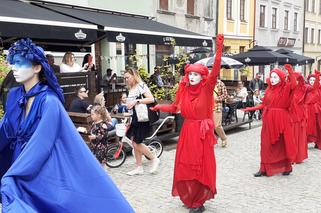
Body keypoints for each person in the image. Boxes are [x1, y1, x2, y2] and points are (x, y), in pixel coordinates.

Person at [0, 38, 133, 212]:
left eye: (19, 63)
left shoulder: (49, 101)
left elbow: (42, 143)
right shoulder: (15, 96)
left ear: (37, 68)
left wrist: (14, 173)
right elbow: (5, 128)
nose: (14, 68)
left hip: (40, 167)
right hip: (19, 159)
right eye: (13, 63)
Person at [150, 34, 224, 213]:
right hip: (188, 132)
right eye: (190, 73)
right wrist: (159, 106)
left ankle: (198, 201)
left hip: (201, 133)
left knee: (199, 166)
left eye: (195, 74)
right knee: (186, 165)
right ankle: (190, 196)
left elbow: (214, 72)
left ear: (201, 76)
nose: (191, 77)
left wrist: (219, 50)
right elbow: (175, 107)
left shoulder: (207, 90)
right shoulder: (183, 90)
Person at [243, 64, 297, 177]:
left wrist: (290, 72)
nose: (272, 80)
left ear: (281, 78)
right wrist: (251, 108)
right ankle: (263, 168)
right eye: (271, 77)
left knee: (282, 144)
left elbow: (293, 85)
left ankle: (287, 166)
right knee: (265, 144)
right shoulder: (268, 90)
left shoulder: (285, 88)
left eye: (275, 77)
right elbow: (264, 104)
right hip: (268, 120)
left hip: (281, 120)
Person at [124, 67, 160, 176]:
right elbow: (131, 105)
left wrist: (137, 101)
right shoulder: (131, 89)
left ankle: (154, 158)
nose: (126, 80)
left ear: (134, 76)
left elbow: (151, 99)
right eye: (125, 78)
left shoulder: (141, 85)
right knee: (134, 143)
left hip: (142, 118)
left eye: (127, 77)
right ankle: (139, 167)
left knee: (136, 142)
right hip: (135, 117)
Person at [289, 72, 309, 163]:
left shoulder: (303, 89)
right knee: (290, 136)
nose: (295, 82)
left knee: (297, 135)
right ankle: (290, 156)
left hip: (299, 116)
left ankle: (297, 156)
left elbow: (314, 88)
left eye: (296, 80)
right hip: (289, 115)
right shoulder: (288, 88)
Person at [305, 72, 321, 149]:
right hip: (307, 110)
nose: (312, 81)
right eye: (310, 80)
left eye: (314, 80)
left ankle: (318, 142)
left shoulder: (319, 90)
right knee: (306, 127)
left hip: (317, 111)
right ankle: (304, 142)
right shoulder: (306, 89)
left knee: (318, 126)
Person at [213, 79, 228, 147]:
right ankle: (213, 139)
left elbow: (225, 95)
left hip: (217, 107)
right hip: (207, 107)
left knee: (217, 126)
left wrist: (216, 99)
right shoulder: (206, 82)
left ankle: (224, 138)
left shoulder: (220, 83)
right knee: (208, 125)